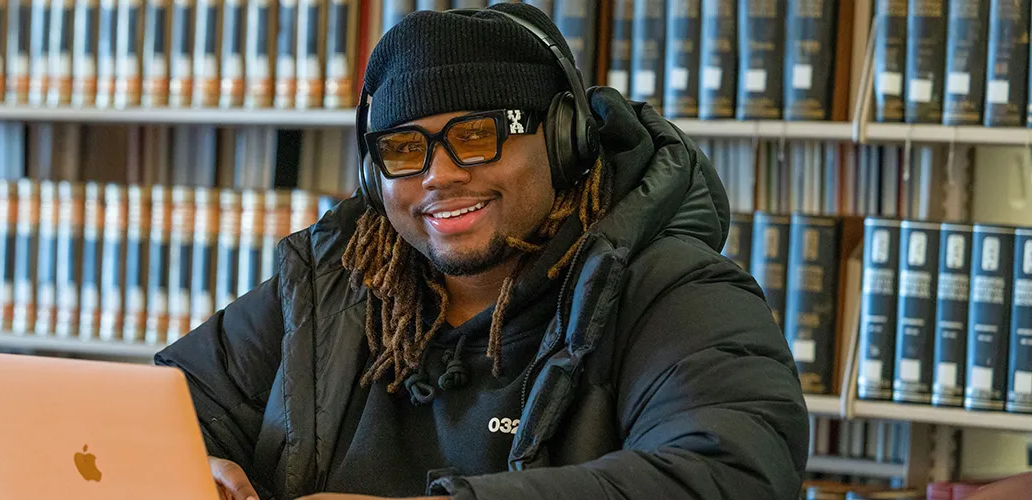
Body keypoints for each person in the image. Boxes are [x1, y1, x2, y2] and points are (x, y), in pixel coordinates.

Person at [155, 4, 809, 500]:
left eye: (476, 135)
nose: (438, 175)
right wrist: (190, 467)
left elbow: (731, 470)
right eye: (403, 149)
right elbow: (165, 406)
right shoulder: (334, 285)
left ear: (563, 140)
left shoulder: (677, 292)